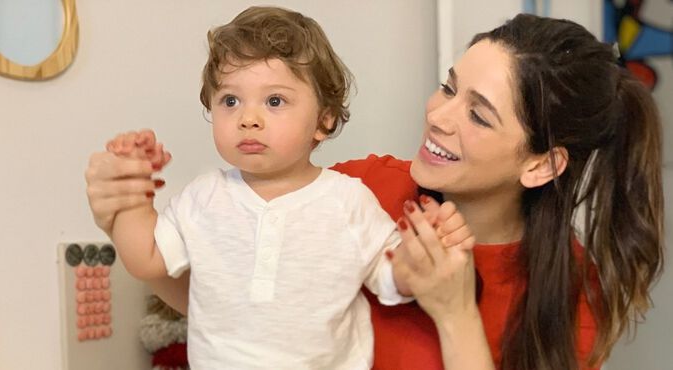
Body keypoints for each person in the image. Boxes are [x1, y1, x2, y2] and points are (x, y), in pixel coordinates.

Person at [85, 13, 664, 370]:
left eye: (479, 116)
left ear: (541, 164)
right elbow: (249, 309)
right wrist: (121, 216)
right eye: (448, 87)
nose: (439, 117)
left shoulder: (571, 292)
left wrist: (455, 312)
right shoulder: (360, 187)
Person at [100, 6, 468, 370]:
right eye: (230, 100)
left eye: (274, 101)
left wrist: (425, 248)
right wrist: (131, 193)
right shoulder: (203, 196)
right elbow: (145, 257)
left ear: (323, 121)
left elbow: (392, 280)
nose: (248, 119)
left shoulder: (347, 201)